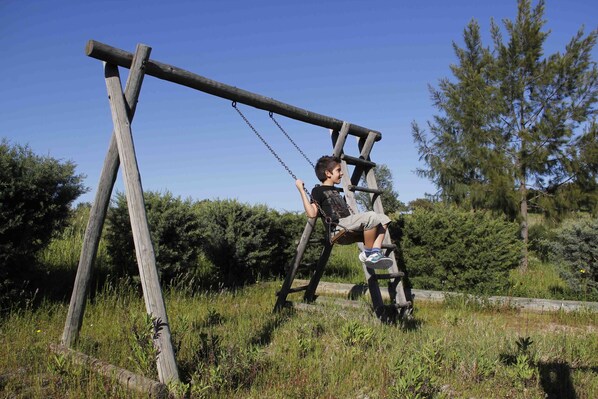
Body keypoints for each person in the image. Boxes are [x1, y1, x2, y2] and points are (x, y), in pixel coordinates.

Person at [295, 155, 393, 269]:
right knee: (371, 217)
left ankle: (374, 252)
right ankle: (370, 253)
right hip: (338, 228)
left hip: (348, 226)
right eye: (338, 170)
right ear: (328, 173)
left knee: (384, 219)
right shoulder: (317, 190)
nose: (341, 173)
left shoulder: (335, 190)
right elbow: (311, 214)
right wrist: (301, 190)